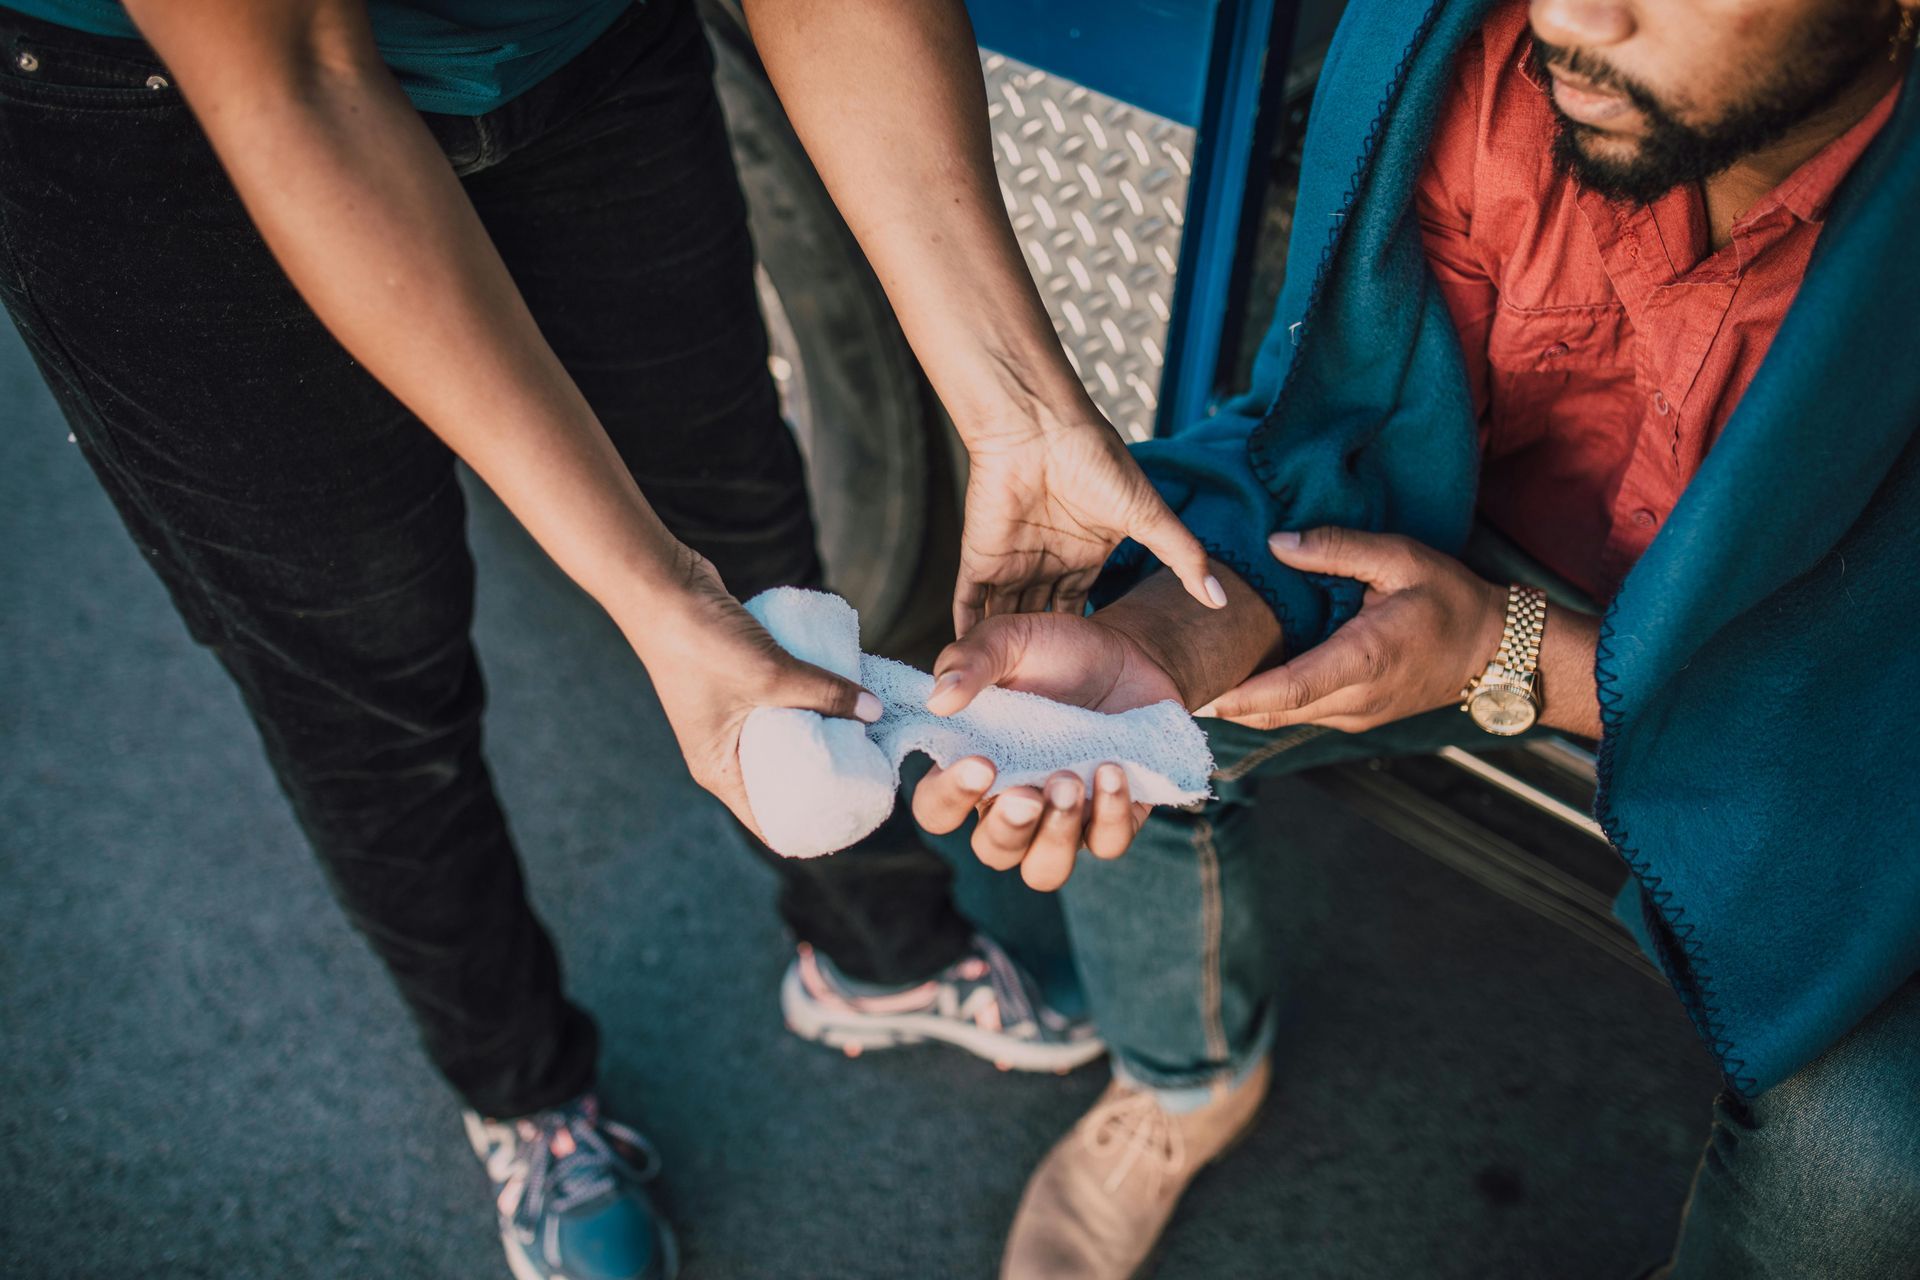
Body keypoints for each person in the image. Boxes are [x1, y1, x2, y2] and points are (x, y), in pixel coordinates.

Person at [0, 1, 1231, 1277]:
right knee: (367, 665)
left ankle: (876, 947)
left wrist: (1023, 414)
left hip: (577, 47)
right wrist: (655, 598)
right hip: (165, 123)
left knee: (752, 536)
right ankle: (524, 1094)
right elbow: (298, 77)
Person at [914, 0, 1920, 1275]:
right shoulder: (1490, 67)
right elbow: (1343, 437)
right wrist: (1166, 645)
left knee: (1879, 1151)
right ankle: (1185, 1080)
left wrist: (1519, 657)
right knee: (1117, 718)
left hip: (1837, 710)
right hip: (1460, 552)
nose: (1570, 13)